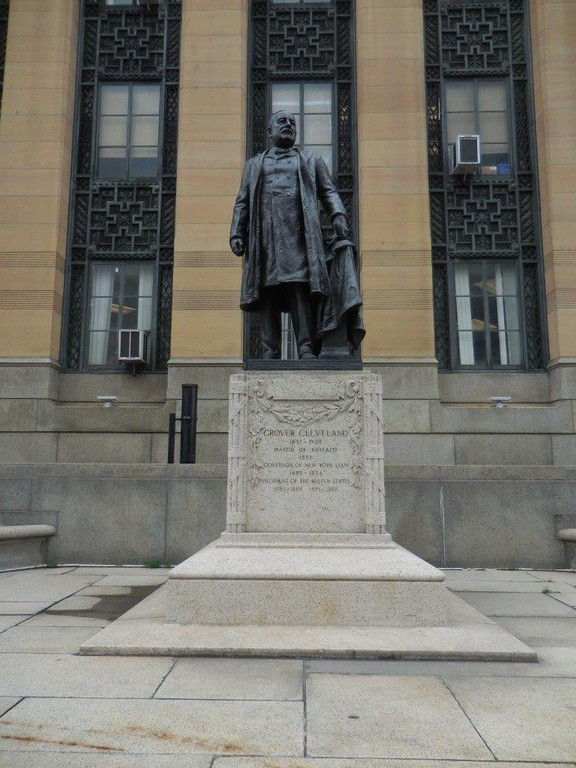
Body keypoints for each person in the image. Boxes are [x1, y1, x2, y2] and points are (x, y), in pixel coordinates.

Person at [230, 110, 351, 360]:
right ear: (269, 131)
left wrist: (338, 214)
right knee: (267, 293)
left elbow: (328, 192)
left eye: (292, 123)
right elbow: (242, 202)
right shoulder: (254, 165)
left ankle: (305, 347)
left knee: (299, 289)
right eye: (282, 122)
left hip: (299, 236)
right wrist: (236, 233)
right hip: (264, 237)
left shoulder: (310, 160)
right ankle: (269, 352)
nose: (288, 126)